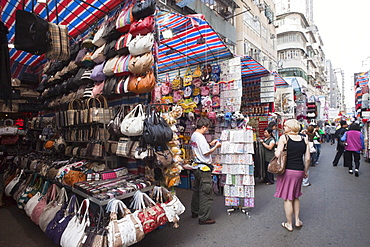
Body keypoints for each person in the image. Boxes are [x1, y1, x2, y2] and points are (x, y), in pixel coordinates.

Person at [274, 119, 310, 232]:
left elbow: (278, 154)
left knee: (288, 198)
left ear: (290, 127)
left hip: (287, 170)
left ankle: (289, 224)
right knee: (295, 196)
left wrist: (276, 150)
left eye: (285, 126)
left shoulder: (284, 138)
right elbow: (308, 158)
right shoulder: (304, 139)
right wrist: (305, 170)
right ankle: (297, 220)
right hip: (299, 170)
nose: (284, 127)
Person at [189, 117, 221, 225]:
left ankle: (195, 211)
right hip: (204, 168)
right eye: (206, 128)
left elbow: (200, 148)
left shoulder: (194, 135)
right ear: (203, 127)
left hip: (196, 167)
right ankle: (204, 217)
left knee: (197, 190)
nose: (206, 130)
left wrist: (210, 144)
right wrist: (216, 146)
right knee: (206, 193)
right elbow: (206, 153)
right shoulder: (200, 137)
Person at [0, 138, 8, 207]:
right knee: (0, 186)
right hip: (0, 170)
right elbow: (5, 159)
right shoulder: (3, 148)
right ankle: (0, 202)